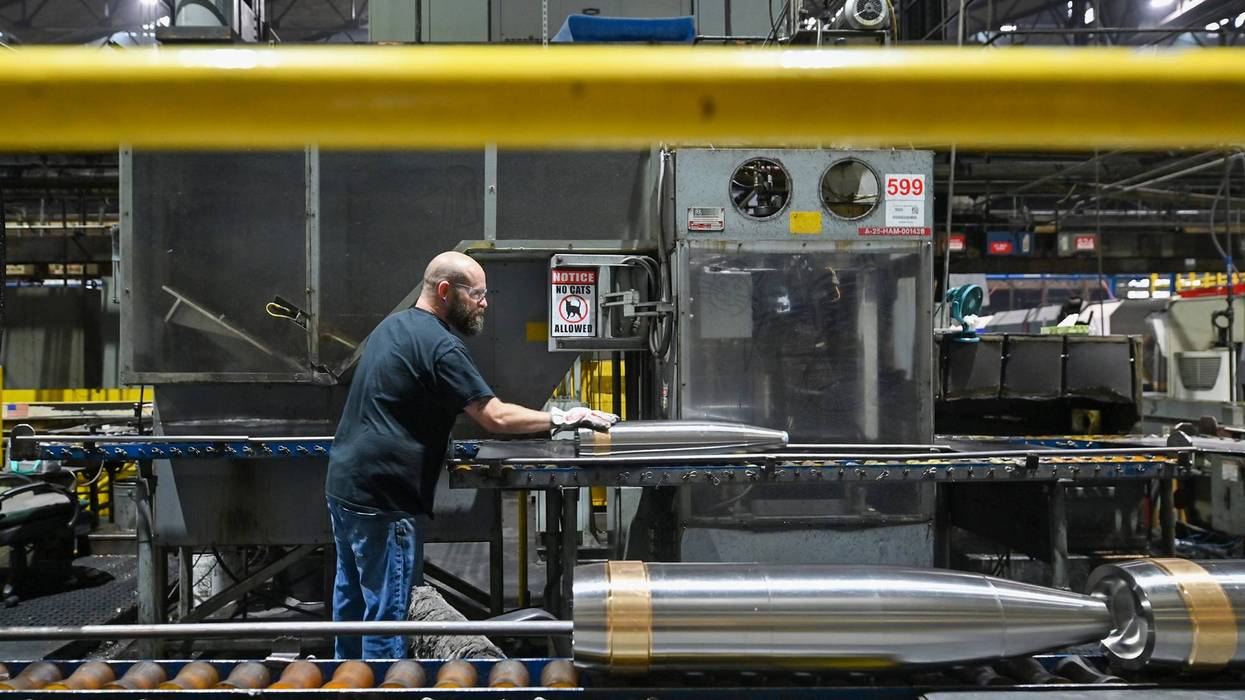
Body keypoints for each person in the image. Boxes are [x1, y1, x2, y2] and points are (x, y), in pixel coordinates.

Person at [325, 251, 618, 659]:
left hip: (345, 486)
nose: (485, 303)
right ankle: (380, 684)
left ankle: (344, 681)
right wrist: (564, 418)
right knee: (387, 614)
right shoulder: (442, 347)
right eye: (477, 294)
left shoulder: (393, 326)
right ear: (446, 291)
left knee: (353, 601)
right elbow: (494, 417)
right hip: (385, 498)